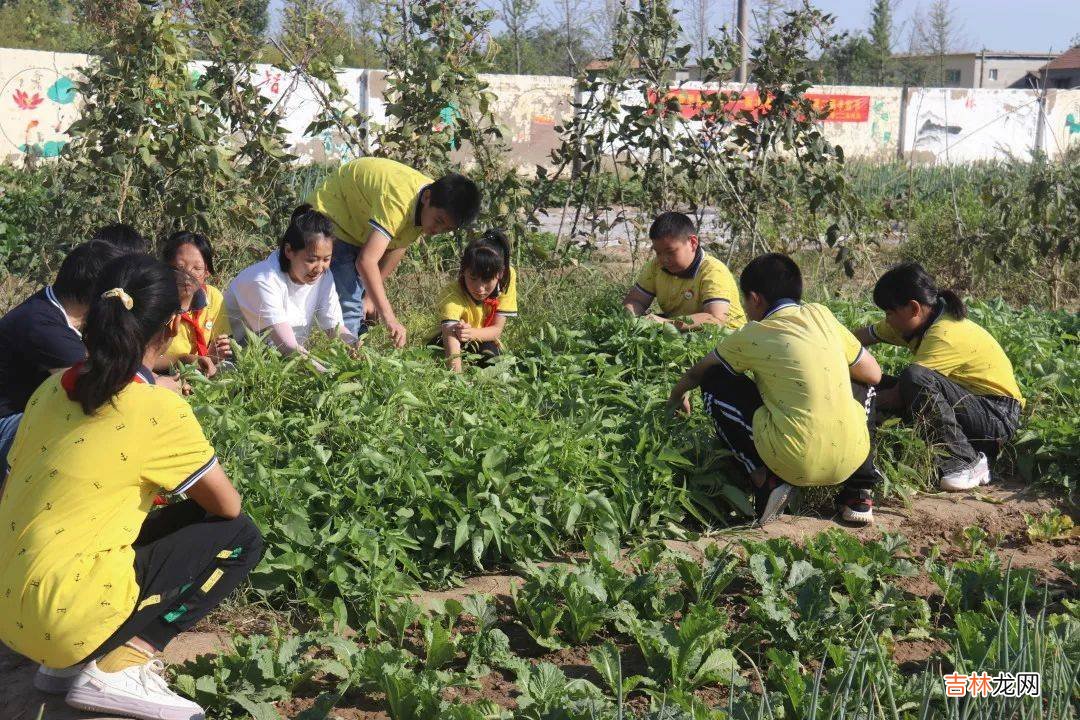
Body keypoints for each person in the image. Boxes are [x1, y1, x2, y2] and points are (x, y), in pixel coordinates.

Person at [0, 254, 263, 720]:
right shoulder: (155, 409)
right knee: (240, 536)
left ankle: (64, 667)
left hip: (11, 614)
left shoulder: (50, 391)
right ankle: (122, 664)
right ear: (170, 326)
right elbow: (227, 505)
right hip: (66, 618)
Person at [667, 253, 883, 526]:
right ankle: (859, 491)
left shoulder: (754, 333)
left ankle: (764, 479)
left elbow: (700, 371)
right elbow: (873, 373)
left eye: (744, 301)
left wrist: (677, 395)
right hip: (851, 457)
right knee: (863, 383)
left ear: (755, 299)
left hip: (791, 460)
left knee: (714, 379)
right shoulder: (822, 315)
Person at [854, 262, 1023, 492]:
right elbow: (859, 340)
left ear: (913, 308)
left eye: (889, 313)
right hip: (970, 405)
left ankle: (965, 462)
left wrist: (853, 404)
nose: (887, 320)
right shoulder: (914, 321)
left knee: (912, 379)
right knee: (871, 381)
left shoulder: (944, 334)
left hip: (996, 417)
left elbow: (901, 394)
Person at [306, 157, 481, 347]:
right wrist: (390, 318)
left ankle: (357, 352)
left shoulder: (428, 206)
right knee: (349, 304)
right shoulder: (399, 199)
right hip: (329, 218)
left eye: (447, 228)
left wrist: (370, 297)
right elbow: (366, 261)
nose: (437, 230)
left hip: (358, 227)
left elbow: (399, 243)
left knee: (364, 303)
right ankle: (348, 364)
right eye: (438, 221)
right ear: (427, 197)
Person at [0, 241, 125, 481]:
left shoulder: (56, 309)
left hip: (21, 412)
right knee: (90, 418)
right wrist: (157, 384)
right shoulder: (43, 327)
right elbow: (96, 385)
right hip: (7, 423)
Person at [225, 205, 356, 369]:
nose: (319, 267)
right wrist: (327, 375)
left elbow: (334, 328)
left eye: (326, 259)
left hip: (280, 361)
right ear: (288, 251)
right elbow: (287, 346)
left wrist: (355, 346)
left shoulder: (324, 277)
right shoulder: (263, 280)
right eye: (311, 260)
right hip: (238, 365)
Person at [623, 212, 746, 331]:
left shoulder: (713, 271)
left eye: (670, 252)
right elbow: (635, 301)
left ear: (693, 242)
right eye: (658, 252)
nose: (664, 259)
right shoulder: (656, 266)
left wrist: (664, 323)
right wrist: (633, 319)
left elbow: (715, 319)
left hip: (729, 342)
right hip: (684, 335)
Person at [432, 230, 518, 373]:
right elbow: (450, 336)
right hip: (447, 340)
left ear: (500, 274)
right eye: (473, 278)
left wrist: (470, 333)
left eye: (487, 279)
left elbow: (497, 330)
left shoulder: (507, 278)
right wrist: (457, 379)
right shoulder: (452, 293)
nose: (480, 288)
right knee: (439, 356)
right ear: (463, 270)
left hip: (481, 338)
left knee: (491, 357)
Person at [155, 231, 232, 378]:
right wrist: (184, 360)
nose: (187, 276)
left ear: (207, 273)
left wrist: (212, 356)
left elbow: (215, 355)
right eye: (180, 267)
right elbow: (144, 360)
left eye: (197, 269)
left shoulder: (213, 297)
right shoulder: (155, 301)